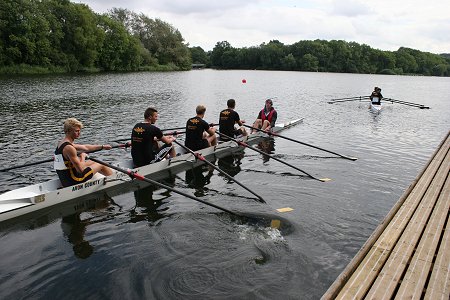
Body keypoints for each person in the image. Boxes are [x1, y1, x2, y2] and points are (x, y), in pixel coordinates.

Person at [54, 118, 113, 187]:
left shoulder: (61, 143)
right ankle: (115, 179)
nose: (79, 133)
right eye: (76, 131)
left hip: (65, 179)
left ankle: (107, 175)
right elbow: (81, 170)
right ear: (69, 131)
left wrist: (102, 146)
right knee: (101, 164)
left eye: (79, 130)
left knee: (92, 162)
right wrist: (82, 157)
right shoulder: (69, 148)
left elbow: (85, 147)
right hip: (75, 180)